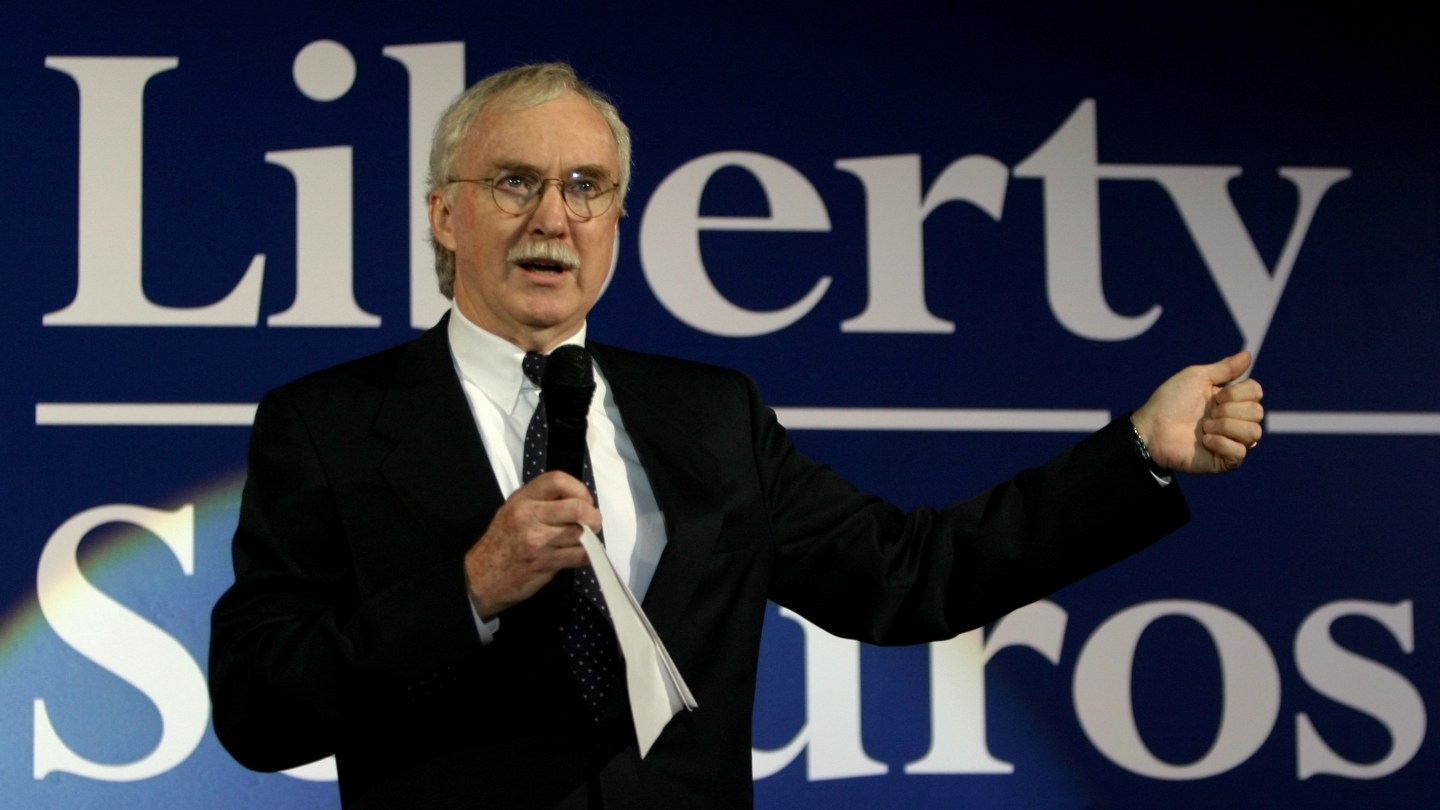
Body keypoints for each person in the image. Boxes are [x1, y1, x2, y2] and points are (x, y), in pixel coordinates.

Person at [208, 62, 1264, 809]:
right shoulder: (329, 424)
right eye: (515, 183)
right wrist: (471, 588)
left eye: (586, 187)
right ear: (447, 215)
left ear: (617, 215)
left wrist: (1133, 453)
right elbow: (260, 708)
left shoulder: (709, 414)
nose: (551, 218)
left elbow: (910, 576)